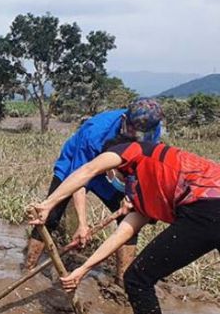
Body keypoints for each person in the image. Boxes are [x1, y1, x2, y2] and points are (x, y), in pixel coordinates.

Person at [30, 134, 220, 314]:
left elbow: (87, 170)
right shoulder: (146, 185)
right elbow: (122, 233)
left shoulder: (131, 150)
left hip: (209, 208)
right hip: (208, 209)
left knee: (137, 279)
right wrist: (83, 269)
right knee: (138, 277)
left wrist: (48, 204)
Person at [23, 98, 164, 287]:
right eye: (132, 132)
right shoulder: (95, 131)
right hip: (77, 167)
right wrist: (83, 224)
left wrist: (132, 194)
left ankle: (122, 282)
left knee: (129, 220)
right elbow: (81, 178)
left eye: (141, 136)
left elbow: (144, 165)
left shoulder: (152, 131)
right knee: (50, 216)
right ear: (124, 120)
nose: (136, 138)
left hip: (117, 172)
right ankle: (28, 269)